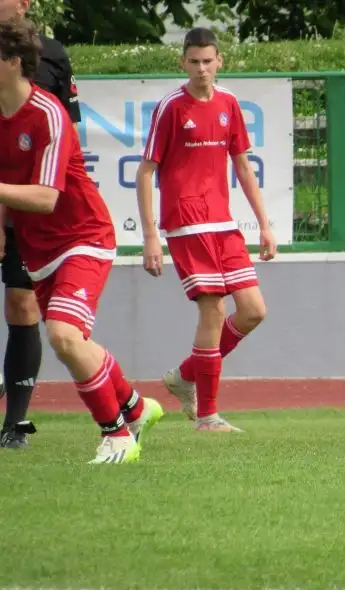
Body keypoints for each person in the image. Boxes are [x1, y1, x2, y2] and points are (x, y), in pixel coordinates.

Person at [0, 17, 164, 464]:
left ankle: (116, 435)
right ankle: (135, 406)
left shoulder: (48, 112)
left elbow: (47, 197)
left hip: (83, 237)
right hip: (38, 251)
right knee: (74, 341)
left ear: (13, 62)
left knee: (63, 336)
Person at [136, 27, 277, 433]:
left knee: (253, 311)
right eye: (194, 62)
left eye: (208, 61)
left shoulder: (229, 103)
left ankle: (184, 376)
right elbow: (147, 172)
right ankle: (208, 417)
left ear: (219, 62)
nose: (201, 69)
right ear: (183, 63)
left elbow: (243, 165)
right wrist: (150, 237)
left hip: (223, 222)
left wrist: (264, 225)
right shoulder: (171, 108)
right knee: (213, 308)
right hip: (185, 222)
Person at [0, 0, 82, 449]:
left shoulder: (51, 54)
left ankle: (15, 425)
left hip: (27, 205)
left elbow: (69, 134)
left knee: (22, 305)